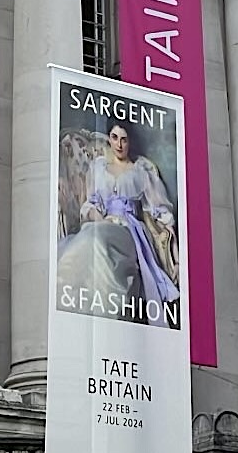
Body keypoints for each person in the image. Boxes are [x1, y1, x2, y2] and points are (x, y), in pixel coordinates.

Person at [56, 121, 181, 326]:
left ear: (129, 141)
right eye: (114, 138)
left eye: (124, 139)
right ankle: (76, 312)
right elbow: (90, 204)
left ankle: (105, 318)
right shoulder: (98, 168)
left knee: (98, 241)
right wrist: (101, 220)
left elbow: (161, 213)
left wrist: (176, 258)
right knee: (89, 240)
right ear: (109, 138)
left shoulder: (141, 171)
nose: (119, 145)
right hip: (102, 224)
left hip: (130, 230)